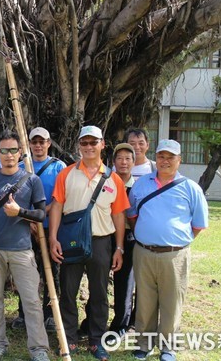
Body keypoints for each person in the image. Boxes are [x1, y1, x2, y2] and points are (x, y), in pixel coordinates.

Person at [49, 125, 128, 361]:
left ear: (103, 144)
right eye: (84, 143)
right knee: (68, 292)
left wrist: (119, 248)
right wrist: (53, 238)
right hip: (70, 241)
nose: (89, 147)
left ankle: (96, 341)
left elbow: (119, 215)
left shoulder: (113, 179)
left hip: (101, 242)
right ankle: (69, 339)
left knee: (100, 294)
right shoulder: (66, 174)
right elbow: (56, 207)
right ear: (79, 146)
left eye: (94, 142)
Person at [127, 140, 208, 361]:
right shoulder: (141, 184)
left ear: (179, 160)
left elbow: (198, 225)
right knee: (144, 300)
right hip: (143, 252)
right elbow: (132, 215)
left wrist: (175, 241)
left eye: (171, 157)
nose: (165, 161)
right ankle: (143, 344)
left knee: (172, 301)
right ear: (156, 158)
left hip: (175, 255)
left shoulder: (191, 188)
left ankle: (168, 347)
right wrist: (147, 235)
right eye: (161, 156)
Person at [0, 131, 51, 361]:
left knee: (31, 301)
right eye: (4, 151)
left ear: (20, 153)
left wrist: (20, 212)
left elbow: (40, 214)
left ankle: (38, 349)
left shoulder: (32, 180)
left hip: (22, 250)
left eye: (13, 150)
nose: (9, 155)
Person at [12, 127, 66, 332]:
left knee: (52, 272)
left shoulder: (58, 167)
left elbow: (60, 197)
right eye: (34, 142)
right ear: (29, 144)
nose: (38, 145)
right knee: (25, 272)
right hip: (25, 228)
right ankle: (23, 313)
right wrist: (29, 219)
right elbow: (15, 199)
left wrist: (40, 215)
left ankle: (51, 314)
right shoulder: (21, 166)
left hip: (51, 228)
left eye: (42, 141)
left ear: (49, 143)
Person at [106, 143, 137, 343]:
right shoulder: (107, 182)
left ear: (134, 162)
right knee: (99, 280)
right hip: (105, 236)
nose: (123, 162)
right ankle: (93, 321)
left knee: (124, 283)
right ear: (113, 162)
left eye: (128, 158)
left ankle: (120, 325)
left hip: (129, 238)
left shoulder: (140, 186)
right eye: (119, 158)